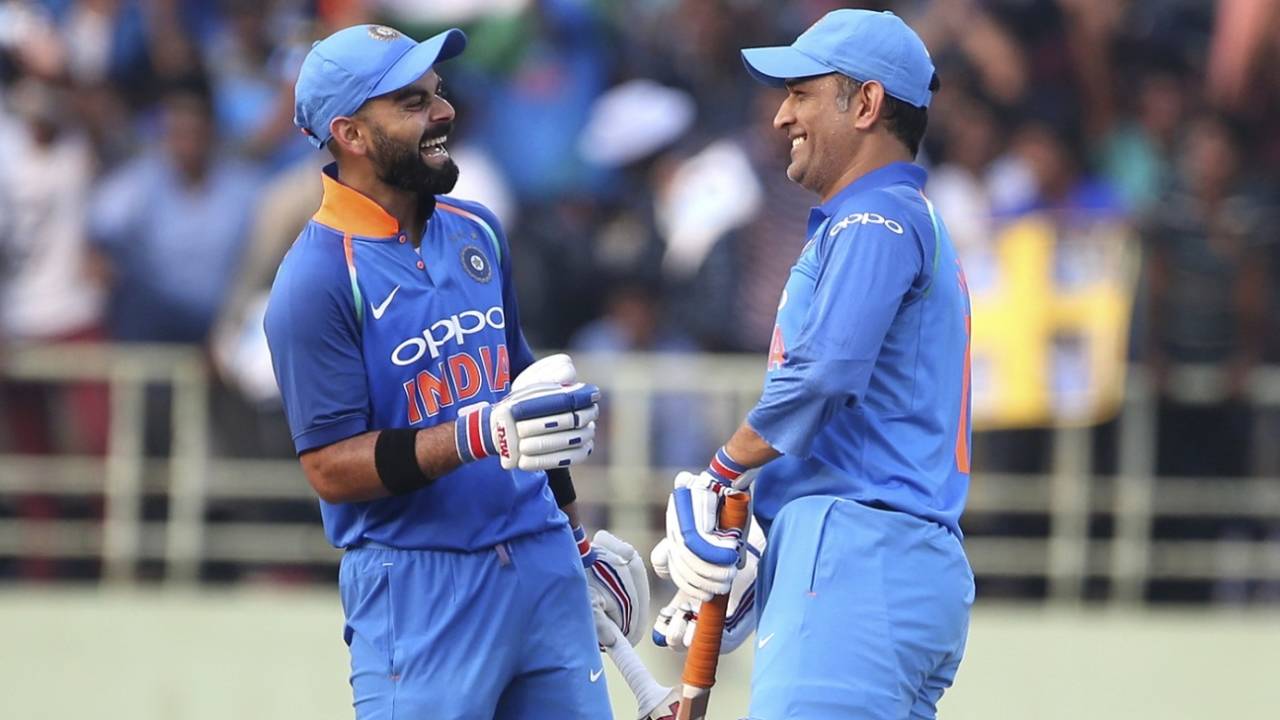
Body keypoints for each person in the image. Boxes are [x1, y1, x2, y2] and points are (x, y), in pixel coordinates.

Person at [264, 25, 648, 719]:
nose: (443, 112)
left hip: (539, 562)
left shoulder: (479, 229)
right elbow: (328, 467)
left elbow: (527, 405)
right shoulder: (315, 278)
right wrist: (474, 435)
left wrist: (574, 537)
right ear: (349, 133)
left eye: (437, 94)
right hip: (419, 586)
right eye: (412, 102)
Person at [653, 10, 974, 719]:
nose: (780, 116)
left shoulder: (874, 219)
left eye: (801, 92)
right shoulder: (896, 217)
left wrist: (722, 471)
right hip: (879, 555)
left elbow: (826, 373)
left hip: (855, 553)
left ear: (865, 104)